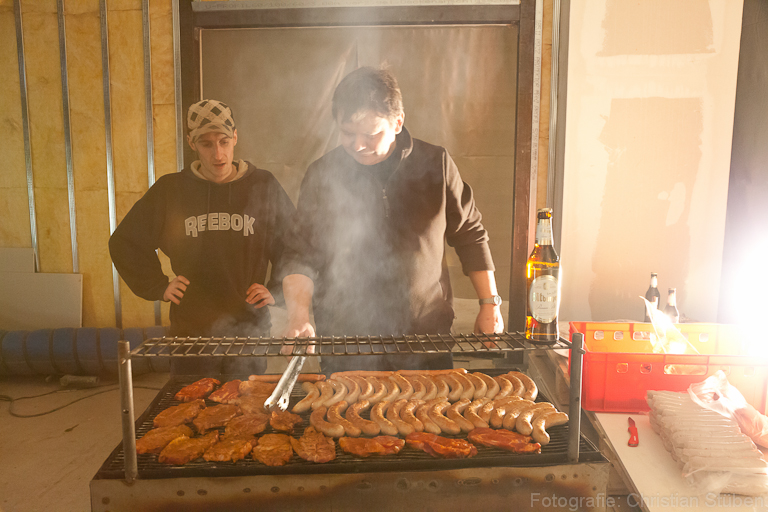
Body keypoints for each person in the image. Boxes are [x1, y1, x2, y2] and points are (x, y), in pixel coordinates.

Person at [280, 67, 504, 373]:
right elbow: (299, 253)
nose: (358, 145)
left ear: (397, 123)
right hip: (346, 344)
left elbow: (470, 234)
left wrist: (490, 303)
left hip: (425, 341)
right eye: (347, 133)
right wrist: (298, 317)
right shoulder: (322, 174)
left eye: (371, 135)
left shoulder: (435, 164)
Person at [109, 99, 295, 375]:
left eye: (223, 142)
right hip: (191, 331)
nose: (218, 154)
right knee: (189, 398)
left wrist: (277, 288)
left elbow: (293, 242)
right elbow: (125, 242)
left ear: (235, 137)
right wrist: (158, 285)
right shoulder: (171, 190)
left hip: (248, 327)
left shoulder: (263, 185)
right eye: (206, 144)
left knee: (246, 400)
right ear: (191, 143)